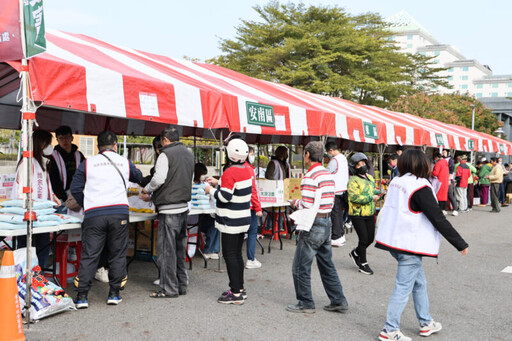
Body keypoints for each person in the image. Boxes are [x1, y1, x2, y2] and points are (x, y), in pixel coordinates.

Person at [375, 149, 469, 341]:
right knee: (403, 287)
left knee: (419, 283)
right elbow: (437, 218)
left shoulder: (396, 182)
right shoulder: (419, 187)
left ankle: (426, 322)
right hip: (410, 244)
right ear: (423, 165)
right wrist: (460, 243)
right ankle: (390, 330)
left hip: (394, 241)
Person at [71, 131, 143, 308]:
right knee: (117, 253)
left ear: (98, 146)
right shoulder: (124, 162)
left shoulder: (88, 163)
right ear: (116, 145)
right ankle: (114, 293)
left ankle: (82, 297)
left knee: (90, 254)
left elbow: (75, 188)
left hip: (94, 214)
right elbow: (139, 178)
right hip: (119, 213)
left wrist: (86, 203)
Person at [287, 141, 348, 313]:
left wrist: (293, 202)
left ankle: (305, 302)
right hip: (326, 221)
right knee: (326, 263)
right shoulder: (327, 174)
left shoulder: (310, 176)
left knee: (300, 265)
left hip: (313, 224)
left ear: (307, 154)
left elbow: (306, 203)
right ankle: (338, 300)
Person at [142, 126, 194, 298]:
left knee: (166, 251)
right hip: (183, 208)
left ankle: (168, 289)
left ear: (164, 140)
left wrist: (147, 190)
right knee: (179, 250)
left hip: (168, 209)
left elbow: (158, 179)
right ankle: (181, 285)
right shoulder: (188, 153)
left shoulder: (165, 154)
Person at [204, 138, 253, 304]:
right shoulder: (247, 170)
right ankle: (239, 288)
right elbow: (236, 189)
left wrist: (210, 189)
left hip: (230, 220)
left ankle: (236, 293)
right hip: (243, 218)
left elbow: (225, 197)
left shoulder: (230, 172)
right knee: (237, 254)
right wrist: (219, 183)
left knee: (230, 255)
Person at [12, 130, 61, 269]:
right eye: (48, 143)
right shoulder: (27, 162)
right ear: (41, 144)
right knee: (27, 248)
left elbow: (45, 187)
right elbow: (22, 190)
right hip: (28, 215)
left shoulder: (42, 162)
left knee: (42, 247)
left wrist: (54, 197)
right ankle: (26, 278)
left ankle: (40, 277)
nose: (50, 146)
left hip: (42, 215)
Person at [347, 152, 382, 275]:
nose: (362, 166)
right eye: (358, 164)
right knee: (363, 239)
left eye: (363, 163)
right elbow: (354, 197)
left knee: (370, 239)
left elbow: (373, 191)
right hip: (357, 214)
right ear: (353, 167)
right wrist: (371, 198)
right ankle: (363, 263)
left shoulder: (370, 178)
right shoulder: (353, 181)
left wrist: (380, 194)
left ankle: (356, 253)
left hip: (370, 213)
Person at [49, 125, 85, 213]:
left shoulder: (79, 155)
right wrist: (64, 198)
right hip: (60, 199)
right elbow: (53, 179)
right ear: (57, 140)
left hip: (77, 196)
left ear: (72, 138)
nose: (64, 141)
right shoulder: (53, 157)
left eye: (67, 137)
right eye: (61, 138)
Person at [325, 142, 349, 247]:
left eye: (327, 152)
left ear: (330, 150)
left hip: (335, 190)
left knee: (335, 214)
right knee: (339, 214)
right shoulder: (343, 158)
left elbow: (327, 173)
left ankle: (336, 237)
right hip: (343, 189)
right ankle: (341, 235)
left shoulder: (334, 160)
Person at [194, 163, 220, 259]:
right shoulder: (192, 185)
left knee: (215, 223)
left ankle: (212, 250)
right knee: (213, 224)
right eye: (203, 174)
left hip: (203, 214)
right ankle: (210, 250)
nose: (204, 176)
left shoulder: (205, 184)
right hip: (194, 217)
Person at [244, 149, 263, 269]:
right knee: (252, 232)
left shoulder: (232, 167)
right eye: (251, 153)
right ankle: (250, 259)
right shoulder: (249, 169)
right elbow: (253, 191)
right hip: (250, 206)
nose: (252, 156)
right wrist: (258, 207)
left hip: (238, 205)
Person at [442, 150, 458, 216]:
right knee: (443, 195)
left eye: (445, 152)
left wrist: (449, 179)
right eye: (443, 152)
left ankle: (455, 209)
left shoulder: (450, 159)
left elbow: (451, 170)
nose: (443, 153)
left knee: (450, 195)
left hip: (448, 179)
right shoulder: (442, 159)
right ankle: (444, 209)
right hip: (443, 179)